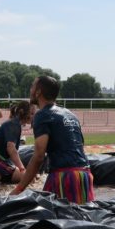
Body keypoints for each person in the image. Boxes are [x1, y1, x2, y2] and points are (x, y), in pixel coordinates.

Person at [11, 76, 95, 204]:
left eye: (32, 86)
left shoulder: (42, 115)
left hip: (65, 177)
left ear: (38, 92)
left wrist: (19, 188)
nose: (30, 89)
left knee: (54, 220)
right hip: (85, 175)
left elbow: (39, 156)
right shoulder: (70, 114)